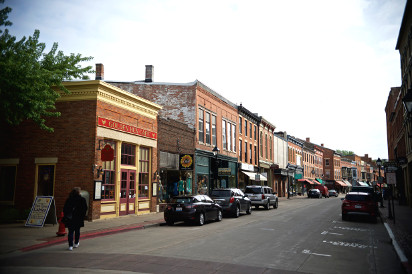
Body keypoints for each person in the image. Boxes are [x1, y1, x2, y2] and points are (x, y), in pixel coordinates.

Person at [63, 187, 88, 251]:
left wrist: (66, 215)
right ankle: (76, 243)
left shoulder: (69, 199)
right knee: (77, 231)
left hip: (70, 218)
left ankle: (70, 246)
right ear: (79, 192)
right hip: (78, 218)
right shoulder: (82, 199)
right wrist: (83, 216)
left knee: (70, 232)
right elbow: (85, 208)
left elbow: (65, 209)